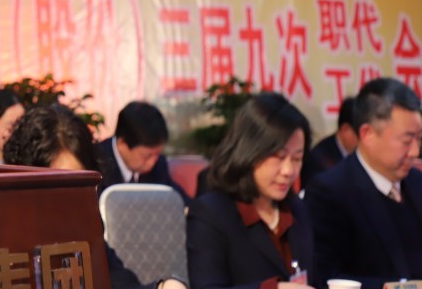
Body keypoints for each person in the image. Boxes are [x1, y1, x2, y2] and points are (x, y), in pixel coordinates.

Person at [4, 106, 188, 289]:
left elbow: (117, 279)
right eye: (55, 184)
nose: (67, 198)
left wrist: (162, 286)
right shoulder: (1, 233)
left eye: (77, 184)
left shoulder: (84, 222)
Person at [186, 92, 315, 289]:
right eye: (279, 157)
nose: (289, 171)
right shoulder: (211, 213)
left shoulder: (296, 208)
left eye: (297, 159)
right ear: (249, 152)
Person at [305, 77, 422, 289]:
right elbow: (327, 279)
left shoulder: (417, 182)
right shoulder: (330, 192)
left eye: (419, 139)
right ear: (367, 134)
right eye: (406, 140)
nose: (415, 151)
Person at [98, 101, 191, 203]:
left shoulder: (159, 165)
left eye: (157, 154)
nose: (152, 162)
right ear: (122, 144)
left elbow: (180, 201)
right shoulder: (95, 164)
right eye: (147, 156)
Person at [300, 96, 357, 189]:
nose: (365, 139)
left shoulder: (362, 154)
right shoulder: (318, 160)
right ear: (345, 129)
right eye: (361, 134)